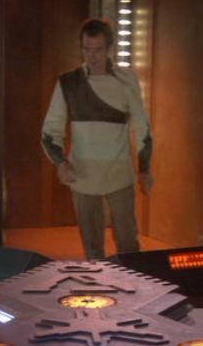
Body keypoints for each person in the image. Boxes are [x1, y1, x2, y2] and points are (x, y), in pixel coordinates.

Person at [40, 18, 154, 260]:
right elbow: (51, 130)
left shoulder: (127, 80)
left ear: (110, 48)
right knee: (93, 250)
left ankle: (132, 285)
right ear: (81, 48)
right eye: (87, 49)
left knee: (129, 246)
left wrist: (145, 168)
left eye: (98, 50)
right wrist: (61, 163)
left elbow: (143, 126)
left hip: (120, 173)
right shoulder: (69, 83)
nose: (92, 56)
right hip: (83, 174)